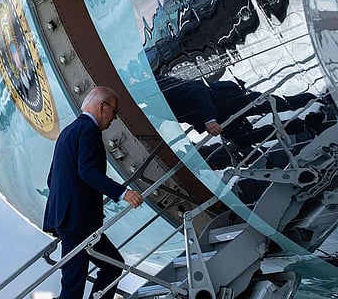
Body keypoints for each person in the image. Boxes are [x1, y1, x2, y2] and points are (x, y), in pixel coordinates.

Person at [43, 86, 144, 299]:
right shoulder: (89, 130)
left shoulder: (68, 131)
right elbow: (87, 172)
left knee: (111, 266)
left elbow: (51, 178)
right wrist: (122, 193)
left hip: (69, 218)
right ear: (102, 106)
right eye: (114, 112)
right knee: (74, 284)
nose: (114, 118)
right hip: (78, 221)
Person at [155, 74, 319, 147]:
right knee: (243, 140)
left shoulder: (154, 87)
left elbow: (196, 90)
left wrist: (209, 120)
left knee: (279, 105)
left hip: (224, 100)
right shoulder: (148, 106)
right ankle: (301, 124)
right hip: (219, 115)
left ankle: (318, 98)